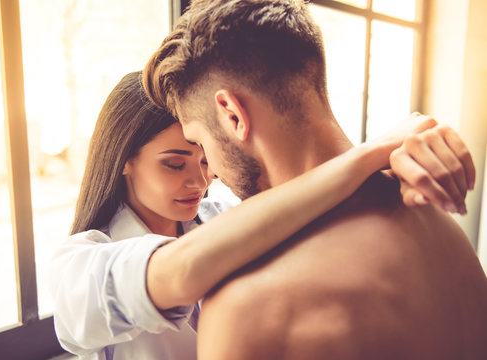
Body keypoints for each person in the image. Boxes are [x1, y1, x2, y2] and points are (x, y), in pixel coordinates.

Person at [143, 0, 487, 359]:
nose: (208, 170)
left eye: (199, 142)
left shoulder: (248, 303)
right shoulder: (440, 226)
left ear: (232, 115)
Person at [48, 71, 473, 360]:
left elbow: (296, 205)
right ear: (123, 160)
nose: (199, 181)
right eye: (174, 164)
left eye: (205, 160)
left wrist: (393, 166)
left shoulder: (224, 215)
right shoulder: (78, 269)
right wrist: (365, 156)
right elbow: (179, 272)